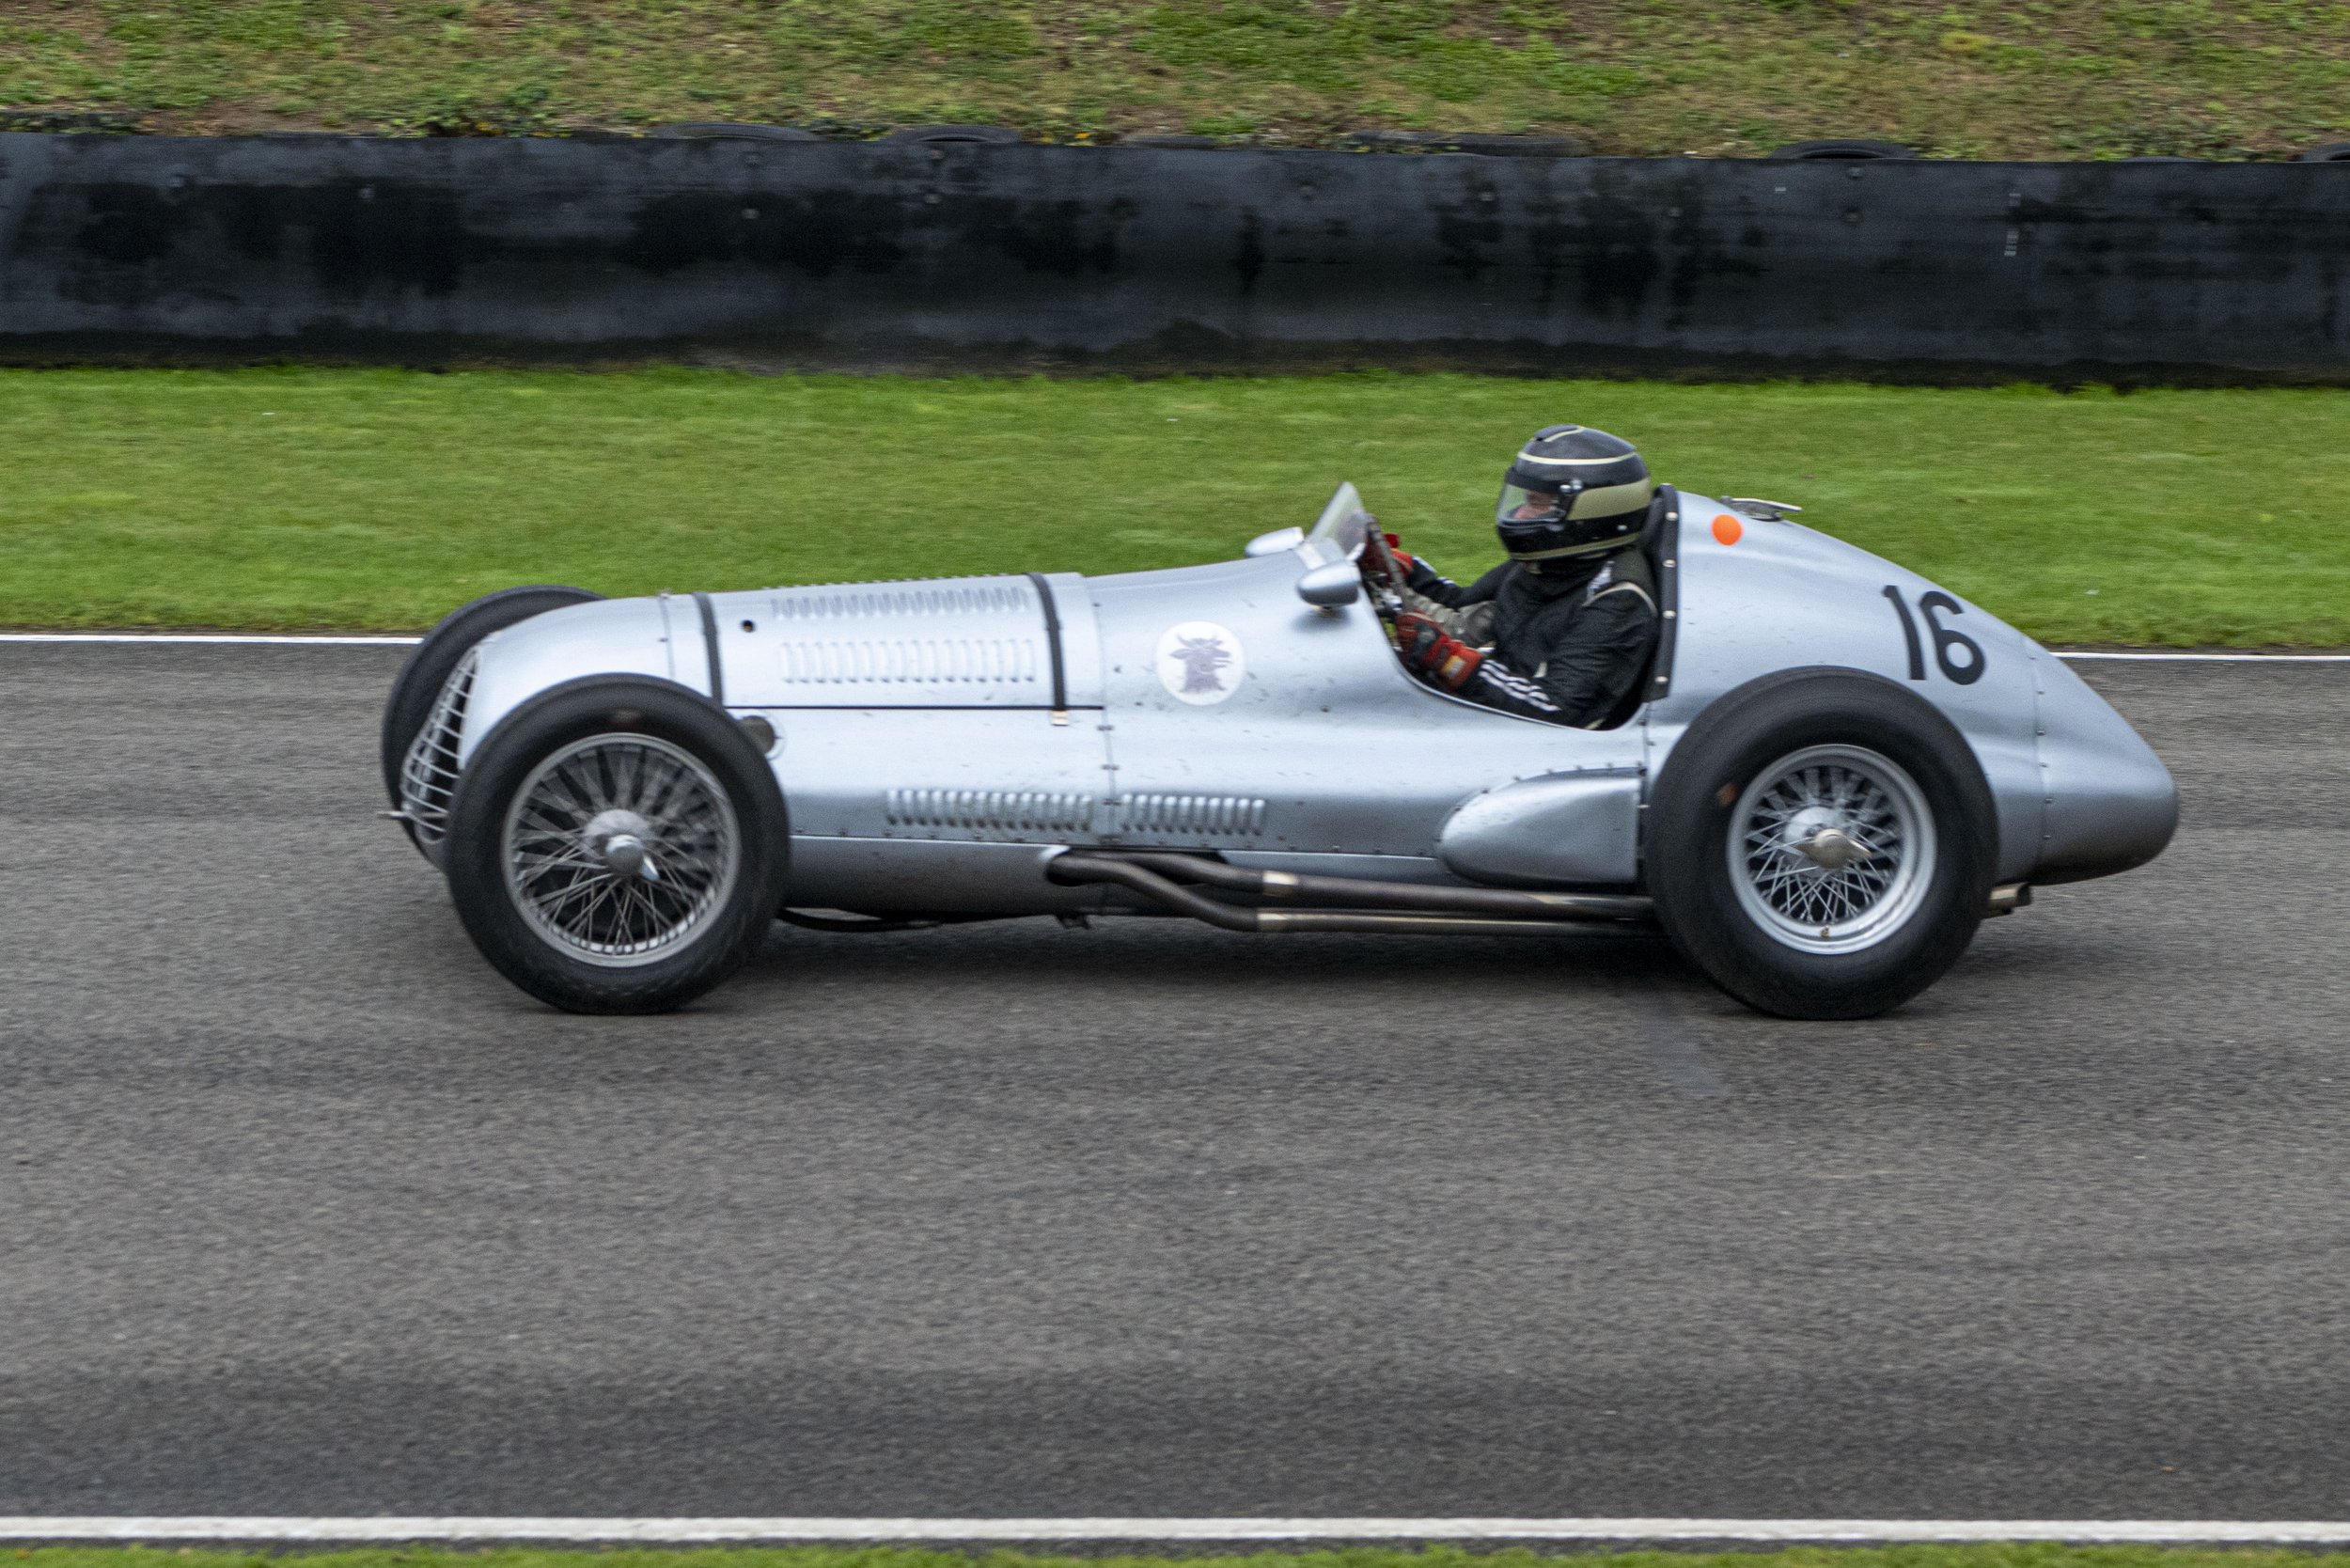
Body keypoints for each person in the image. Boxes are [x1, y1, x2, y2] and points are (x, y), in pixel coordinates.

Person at [1376, 423, 1661, 729]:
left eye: (1537, 504)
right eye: (1525, 500)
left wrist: (1452, 662)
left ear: (1590, 514)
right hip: (1498, 717)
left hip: (1543, 744)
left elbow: (1554, 707)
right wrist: (1397, 572)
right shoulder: (1548, 564)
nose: (1521, 515)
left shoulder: (1618, 598)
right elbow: (1460, 615)